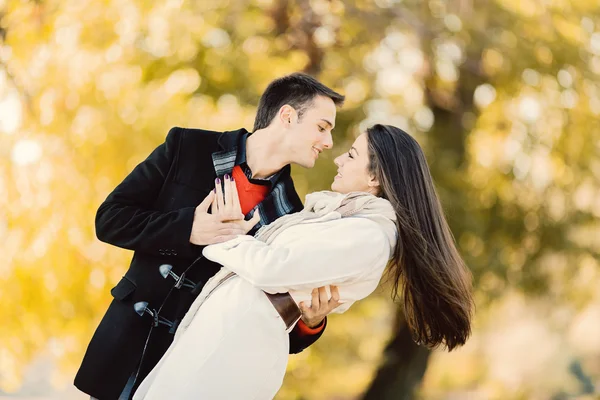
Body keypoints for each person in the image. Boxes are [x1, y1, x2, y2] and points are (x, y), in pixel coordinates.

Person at [133, 124, 475, 400]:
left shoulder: (369, 237)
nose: (339, 158)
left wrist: (224, 235)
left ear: (375, 177)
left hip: (237, 346)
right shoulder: (341, 221)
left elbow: (272, 269)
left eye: (352, 154)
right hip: (224, 334)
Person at [74, 73, 346, 400]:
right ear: (287, 116)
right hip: (125, 346)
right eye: (322, 127)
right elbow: (110, 219)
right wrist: (188, 228)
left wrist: (310, 322)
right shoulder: (187, 147)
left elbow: (270, 324)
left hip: (191, 372)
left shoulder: (289, 217)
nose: (329, 142)